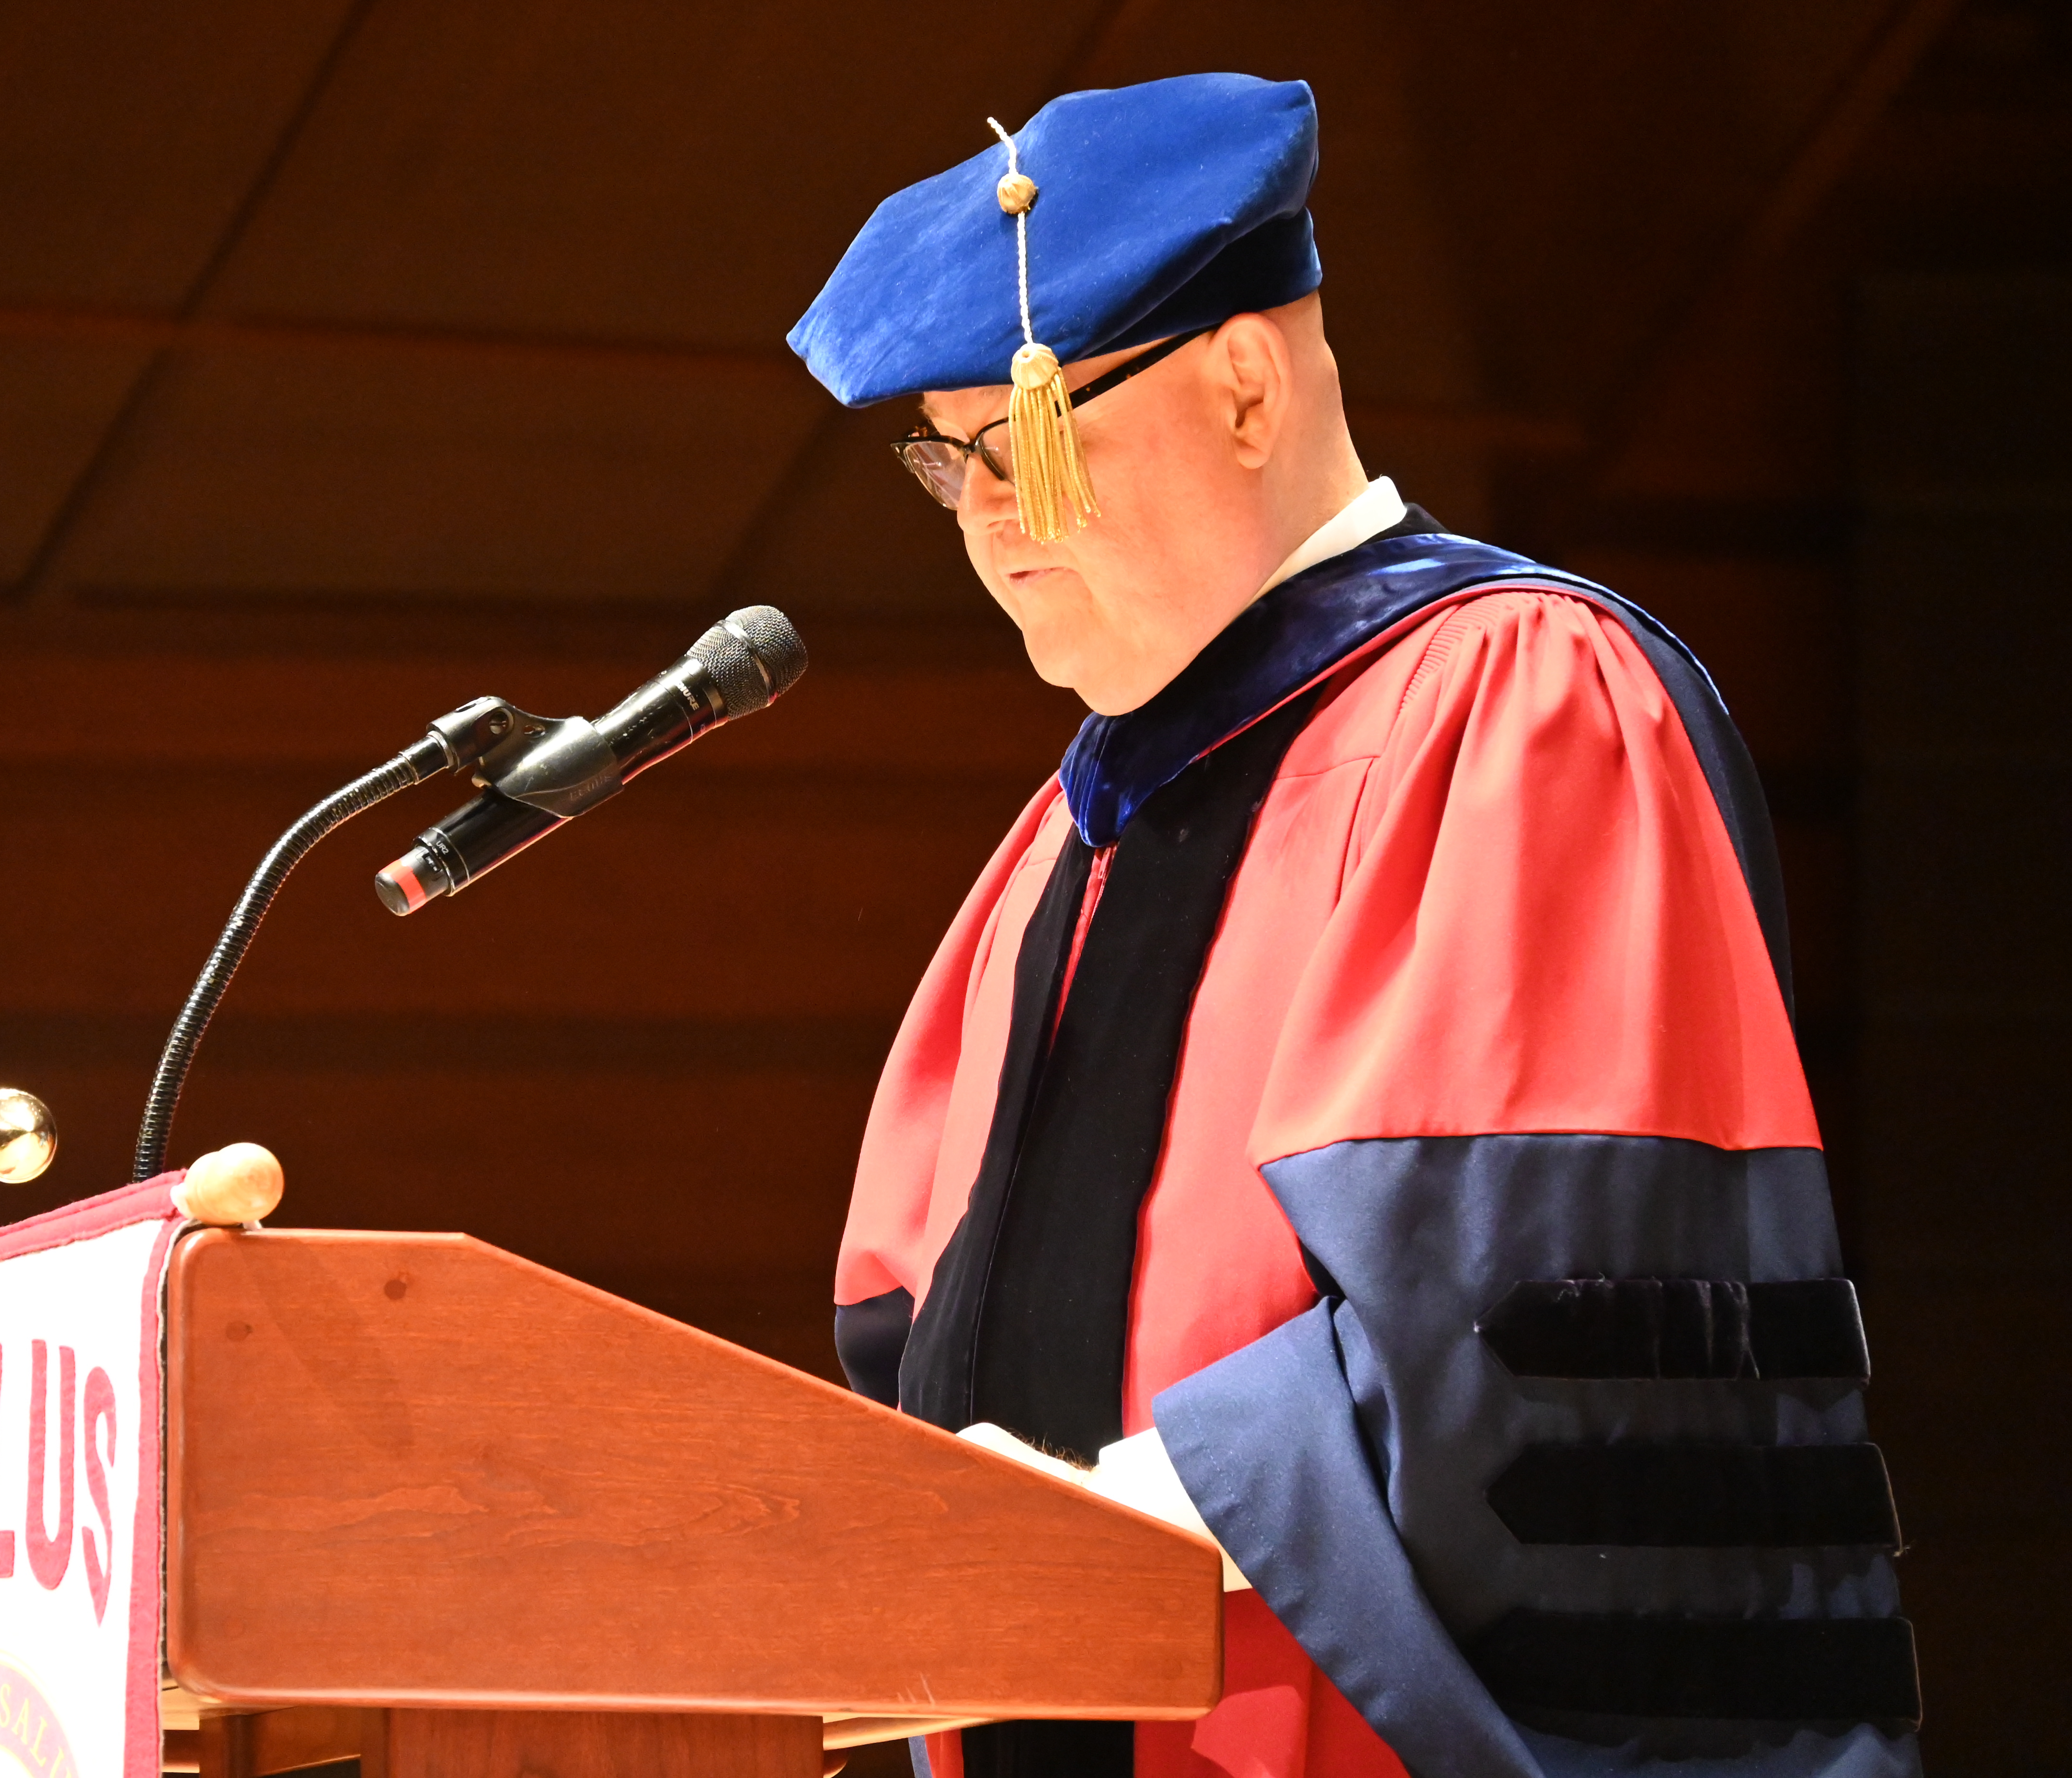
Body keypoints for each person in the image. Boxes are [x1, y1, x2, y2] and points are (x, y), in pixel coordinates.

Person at [788, 74, 1919, 1778]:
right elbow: (912, 1331)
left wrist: (1096, 1528)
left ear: (1245, 388)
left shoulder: (1523, 702)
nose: (990, 521)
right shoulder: (1072, 834)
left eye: (1028, 440)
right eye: (947, 463)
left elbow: (1529, 1311)